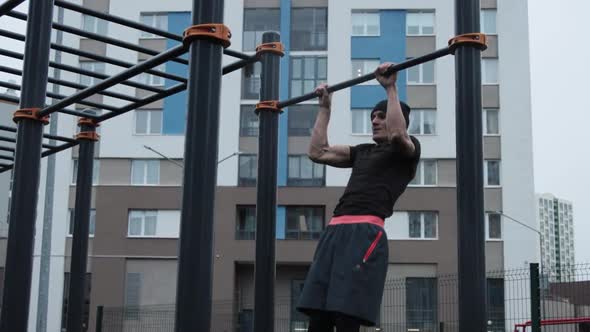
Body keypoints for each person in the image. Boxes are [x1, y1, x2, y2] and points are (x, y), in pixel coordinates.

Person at [296, 63, 421, 331]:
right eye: (373, 116)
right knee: (318, 317)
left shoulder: (406, 152)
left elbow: (399, 134)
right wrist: (325, 108)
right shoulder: (362, 151)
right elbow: (318, 152)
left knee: (346, 315)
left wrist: (390, 88)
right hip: (334, 232)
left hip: (365, 233)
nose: (374, 120)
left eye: (381, 116)